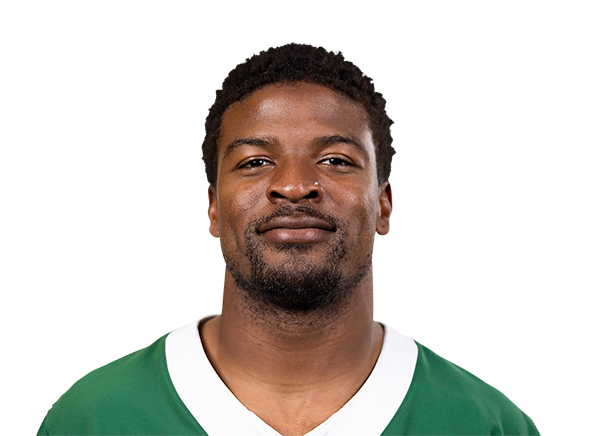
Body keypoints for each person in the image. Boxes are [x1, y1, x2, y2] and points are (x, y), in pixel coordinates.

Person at [37, 43, 540, 436]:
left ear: (383, 206)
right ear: (213, 208)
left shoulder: (485, 424)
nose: (295, 185)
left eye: (335, 160)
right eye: (256, 161)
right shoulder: (95, 418)